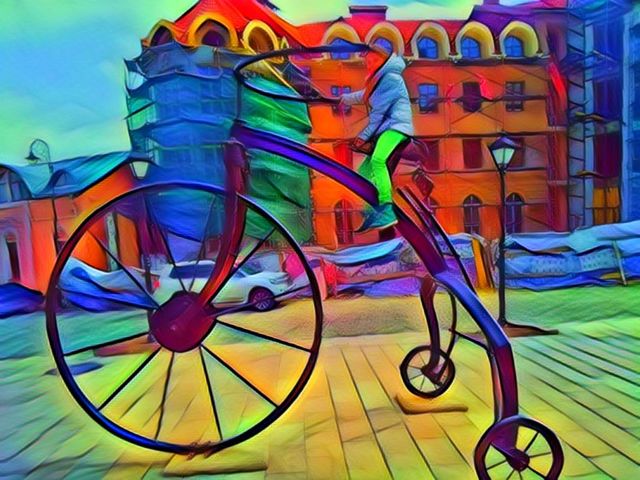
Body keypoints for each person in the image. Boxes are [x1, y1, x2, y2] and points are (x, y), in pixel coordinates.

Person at [340, 43, 414, 232]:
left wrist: (363, 136)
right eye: (368, 62)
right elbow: (364, 96)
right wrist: (343, 99)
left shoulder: (390, 78)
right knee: (363, 172)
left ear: (384, 59)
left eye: (374, 60)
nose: (370, 65)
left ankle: (386, 209)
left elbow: (378, 113)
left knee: (378, 160)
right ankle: (371, 211)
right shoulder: (378, 80)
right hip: (385, 129)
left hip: (397, 127)